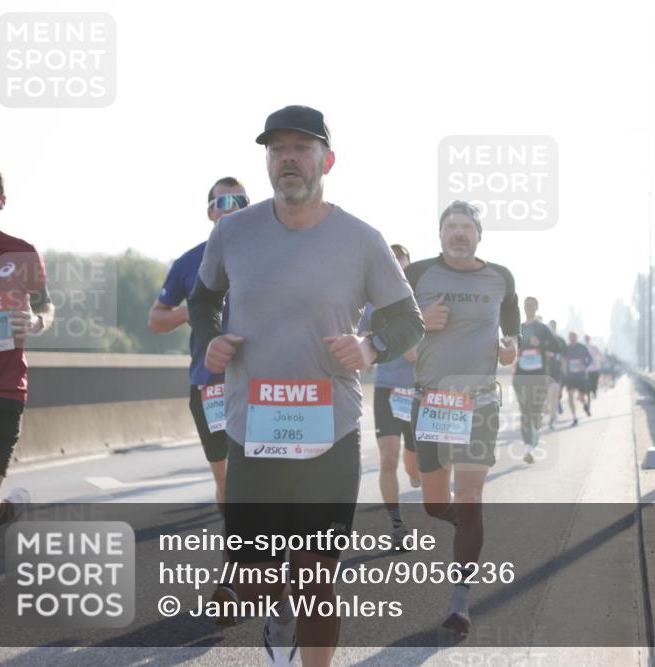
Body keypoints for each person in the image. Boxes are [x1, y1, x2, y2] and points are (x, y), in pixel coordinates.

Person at [188, 105, 423, 667]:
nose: (287, 157)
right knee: (256, 578)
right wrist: (210, 341)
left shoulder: (362, 239)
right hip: (254, 430)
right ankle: (277, 611)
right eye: (276, 149)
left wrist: (370, 347)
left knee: (317, 576)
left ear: (327, 159)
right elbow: (201, 300)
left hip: (330, 430)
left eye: (301, 147)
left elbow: (407, 320)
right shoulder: (233, 232)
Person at [405, 200, 519, 636]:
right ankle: (456, 520)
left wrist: (511, 345)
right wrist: (420, 322)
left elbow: (510, 324)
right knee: (435, 503)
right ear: (439, 234)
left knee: (470, 497)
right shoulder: (416, 275)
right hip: (432, 401)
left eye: (465, 226)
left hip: (480, 403)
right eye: (450, 226)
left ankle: (460, 600)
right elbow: (387, 325)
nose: (457, 232)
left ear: (478, 234)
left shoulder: (501, 277)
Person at [148, 176, 249, 623]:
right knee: (229, 483)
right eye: (221, 201)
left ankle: (239, 575)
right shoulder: (190, 262)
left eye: (239, 201)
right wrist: (196, 304)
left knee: (260, 479)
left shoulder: (269, 256)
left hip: (261, 385)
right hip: (208, 383)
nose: (229, 207)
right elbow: (156, 319)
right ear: (209, 212)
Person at [0, 157, 54, 667]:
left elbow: (46, 307)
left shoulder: (20, 254)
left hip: (2, 390)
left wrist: (36, 322)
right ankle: (5, 513)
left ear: (1, 199)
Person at [358, 243, 420, 547]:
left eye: (401, 263)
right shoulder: (372, 306)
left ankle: (417, 472)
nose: (396, 267)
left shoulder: (420, 305)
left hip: (417, 391)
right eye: (391, 262)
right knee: (387, 458)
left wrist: (415, 351)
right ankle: (397, 525)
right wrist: (364, 356)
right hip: (386, 390)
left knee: (414, 465)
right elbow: (358, 338)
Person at [512, 297, 561, 463]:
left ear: (537, 308)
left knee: (536, 411)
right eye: (526, 306)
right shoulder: (518, 328)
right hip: (521, 377)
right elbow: (510, 347)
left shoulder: (542, 329)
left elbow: (558, 346)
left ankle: (534, 437)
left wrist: (541, 344)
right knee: (525, 412)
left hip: (539, 376)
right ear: (523, 308)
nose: (529, 308)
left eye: (532, 306)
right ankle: (528, 446)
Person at [562, 331, 593, 426]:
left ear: (577, 337)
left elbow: (590, 359)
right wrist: (564, 368)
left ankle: (585, 405)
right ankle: (574, 417)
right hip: (570, 376)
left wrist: (585, 365)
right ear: (569, 338)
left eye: (574, 337)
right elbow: (562, 359)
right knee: (570, 396)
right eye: (570, 337)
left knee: (581, 397)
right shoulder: (566, 348)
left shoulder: (582, 347)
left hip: (581, 376)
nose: (572, 338)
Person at [545, 319, 566, 429]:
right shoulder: (543, 340)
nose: (551, 329)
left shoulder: (560, 341)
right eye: (549, 328)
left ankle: (552, 417)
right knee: (546, 396)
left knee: (553, 393)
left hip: (556, 372)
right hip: (543, 372)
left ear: (555, 327)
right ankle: (550, 408)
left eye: (552, 327)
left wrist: (553, 356)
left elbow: (564, 356)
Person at [584, 334, 605, 403]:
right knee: (588, 384)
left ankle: (594, 392)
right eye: (586, 338)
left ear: (589, 339)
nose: (587, 339)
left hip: (595, 368)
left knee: (595, 382)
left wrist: (601, 361)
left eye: (588, 338)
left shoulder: (593, 347)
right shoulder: (583, 347)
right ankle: (588, 395)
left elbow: (600, 354)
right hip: (586, 369)